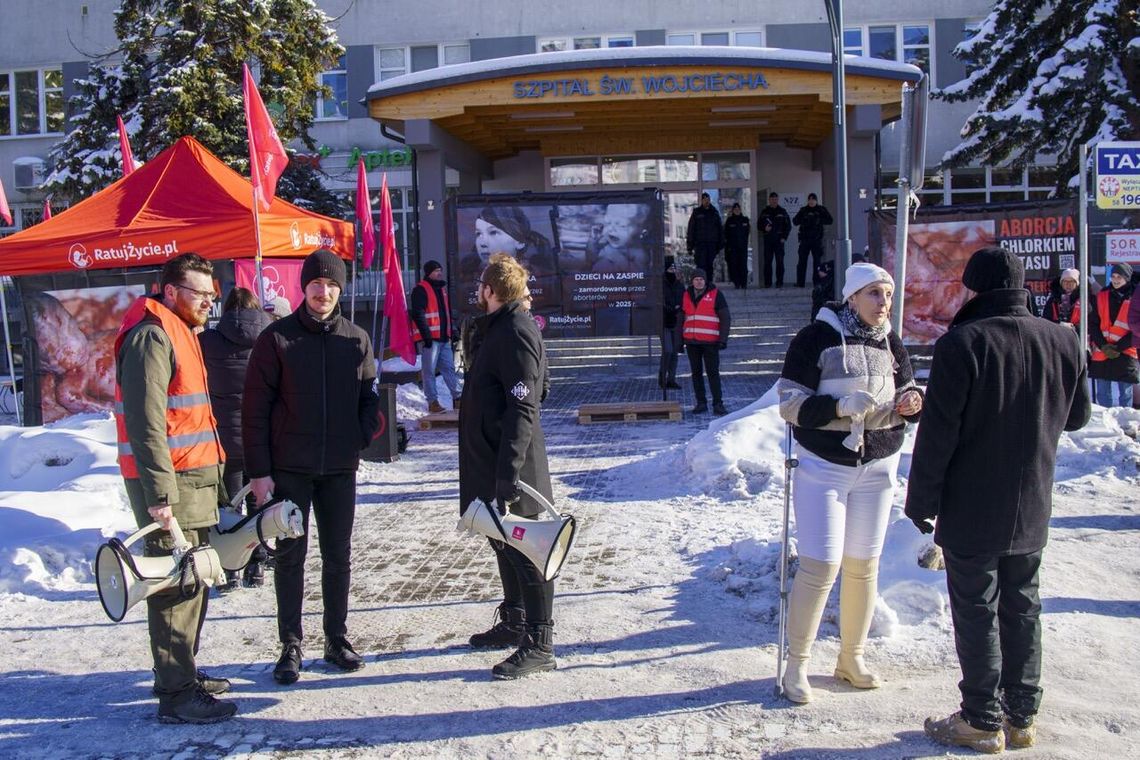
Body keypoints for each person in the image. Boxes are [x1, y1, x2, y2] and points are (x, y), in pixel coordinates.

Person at [905, 247, 1091, 753]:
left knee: (976, 608)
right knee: (1023, 605)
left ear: (974, 288)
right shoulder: (1063, 339)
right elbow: (1076, 418)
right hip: (1032, 497)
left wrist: (920, 499)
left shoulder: (962, 343)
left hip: (970, 504)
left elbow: (937, 435)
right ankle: (1021, 717)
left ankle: (981, 718)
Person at [776, 262, 923, 705]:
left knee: (864, 565)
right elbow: (789, 405)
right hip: (826, 466)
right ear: (853, 296)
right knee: (821, 566)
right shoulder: (815, 338)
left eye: (889, 295)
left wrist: (911, 402)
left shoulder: (892, 342)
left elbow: (907, 392)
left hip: (878, 466)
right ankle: (796, 665)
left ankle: (851, 658)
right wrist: (838, 405)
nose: (884, 303)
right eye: (875, 294)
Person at [243, 249, 380, 686]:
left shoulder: (356, 339)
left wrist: (359, 435)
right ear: (304, 287)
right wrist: (259, 471)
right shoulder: (277, 338)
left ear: (341, 290)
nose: (324, 292)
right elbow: (254, 409)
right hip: (290, 469)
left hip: (339, 468)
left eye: (332, 285)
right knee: (290, 558)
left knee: (338, 557)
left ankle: (336, 638)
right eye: (317, 284)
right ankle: (290, 644)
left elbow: (369, 396)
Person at [113, 252, 236, 723]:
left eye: (211, 294)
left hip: (192, 483)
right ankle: (176, 694)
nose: (209, 301)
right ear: (170, 291)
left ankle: (181, 673)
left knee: (193, 580)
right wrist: (160, 497)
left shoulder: (177, 329)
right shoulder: (151, 336)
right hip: (172, 488)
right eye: (199, 293)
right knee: (173, 587)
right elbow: (147, 427)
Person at [458, 252, 557, 679]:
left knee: (528, 549)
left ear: (491, 291)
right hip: (491, 461)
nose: (477, 292)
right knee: (503, 542)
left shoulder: (515, 331)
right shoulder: (497, 329)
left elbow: (525, 405)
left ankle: (540, 641)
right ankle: (516, 619)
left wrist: (509, 472)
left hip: (512, 467)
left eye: (481, 286)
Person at [198, 286, 272, 590]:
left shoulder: (206, 342)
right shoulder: (271, 339)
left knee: (228, 508)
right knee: (258, 503)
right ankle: (257, 564)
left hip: (223, 441)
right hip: (260, 439)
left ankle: (229, 569)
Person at [411, 260, 461, 414]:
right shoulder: (420, 289)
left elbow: (444, 314)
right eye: (436, 270)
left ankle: (458, 399)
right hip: (430, 340)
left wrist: (451, 332)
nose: (439, 273)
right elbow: (418, 314)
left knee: (449, 369)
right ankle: (432, 402)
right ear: (428, 273)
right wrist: (426, 336)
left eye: (440, 269)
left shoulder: (441, 289)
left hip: (443, 338)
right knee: (429, 371)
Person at [680, 268, 730, 416]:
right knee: (696, 374)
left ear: (705, 280)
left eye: (701, 279)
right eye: (696, 279)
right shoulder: (686, 295)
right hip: (692, 342)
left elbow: (725, 317)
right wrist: (679, 340)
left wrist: (723, 339)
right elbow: (681, 318)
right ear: (692, 281)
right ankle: (701, 403)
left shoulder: (716, 294)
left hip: (710, 342)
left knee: (713, 373)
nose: (699, 281)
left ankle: (718, 404)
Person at [1088, 262, 1138, 407]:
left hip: (1126, 349)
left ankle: (1125, 422)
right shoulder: (1102, 295)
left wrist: (1118, 347)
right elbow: (1093, 323)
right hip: (1103, 350)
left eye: (1119, 277)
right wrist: (1104, 346)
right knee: (1103, 392)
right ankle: (1105, 424)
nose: (1115, 280)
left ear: (1127, 278)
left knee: (1125, 392)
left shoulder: (1135, 297)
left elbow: (1137, 326)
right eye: (1113, 276)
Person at [593, 203, 651, 272]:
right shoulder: (604, 243)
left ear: (639, 230)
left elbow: (638, 278)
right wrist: (593, 241)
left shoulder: (638, 253)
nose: (611, 228)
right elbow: (591, 259)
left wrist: (617, 258)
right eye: (607, 223)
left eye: (622, 225)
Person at [792, 193, 833, 288]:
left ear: (816, 200)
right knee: (802, 262)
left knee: (817, 262)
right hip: (805, 240)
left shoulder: (821, 209)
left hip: (816, 240)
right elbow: (795, 221)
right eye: (809, 199)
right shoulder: (803, 210)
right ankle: (800, 283)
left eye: (813, 199)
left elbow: (830, 220)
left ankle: (817, 282)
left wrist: (819, 219)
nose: (811, 201)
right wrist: (803, 219)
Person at [659, 256, 684, 389]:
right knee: (667, 350)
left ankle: (671, 379)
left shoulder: (679, 285)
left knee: (674, 352)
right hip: (664, 321)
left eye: (674, 268)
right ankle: (662, 377)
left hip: (676, 321)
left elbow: (683, 300)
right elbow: (659, 301)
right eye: (670, 268)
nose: (672, 271)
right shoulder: (660, 284)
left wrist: (678, 308)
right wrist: (670, 309)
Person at [757, 192, 792, 288]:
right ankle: (768, 283)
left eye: (775, 199)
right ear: (769, 200)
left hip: (779, 241)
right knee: (767, 262)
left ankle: (779, 282)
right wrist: (764, 228)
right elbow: (759, 225)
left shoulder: (782, 211)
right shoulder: (765, 212)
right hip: (768, 241)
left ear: (777, 200)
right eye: (772, 199)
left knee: (780, 262)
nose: (774, 201)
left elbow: (788, 226)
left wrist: (784, 237)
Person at [686, 192, 723, 278]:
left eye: (708, 200)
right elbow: (691, 229)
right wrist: (690, 246)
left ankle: (708, 285)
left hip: (712, 244)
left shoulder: (714, 213)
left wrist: (720, 244)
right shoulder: (697, 213)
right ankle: (700, 284)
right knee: (701, 266)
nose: (707, 201)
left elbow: (720, 229)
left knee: (710, 266)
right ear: (702, 201)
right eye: (705, 200)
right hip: (700, 244)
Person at [723, 202, 751, 289]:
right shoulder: (729, 221)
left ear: (740, 210)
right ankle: (736, 283)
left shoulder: (745, 220)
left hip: (742, 247)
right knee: (734, 266)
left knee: (743, 266)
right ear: (733, 210)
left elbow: (747, 232)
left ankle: (744, 283)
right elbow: (725, 234)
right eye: (735, 209)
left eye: (738, 209)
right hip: (733, 248)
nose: (737, 210)